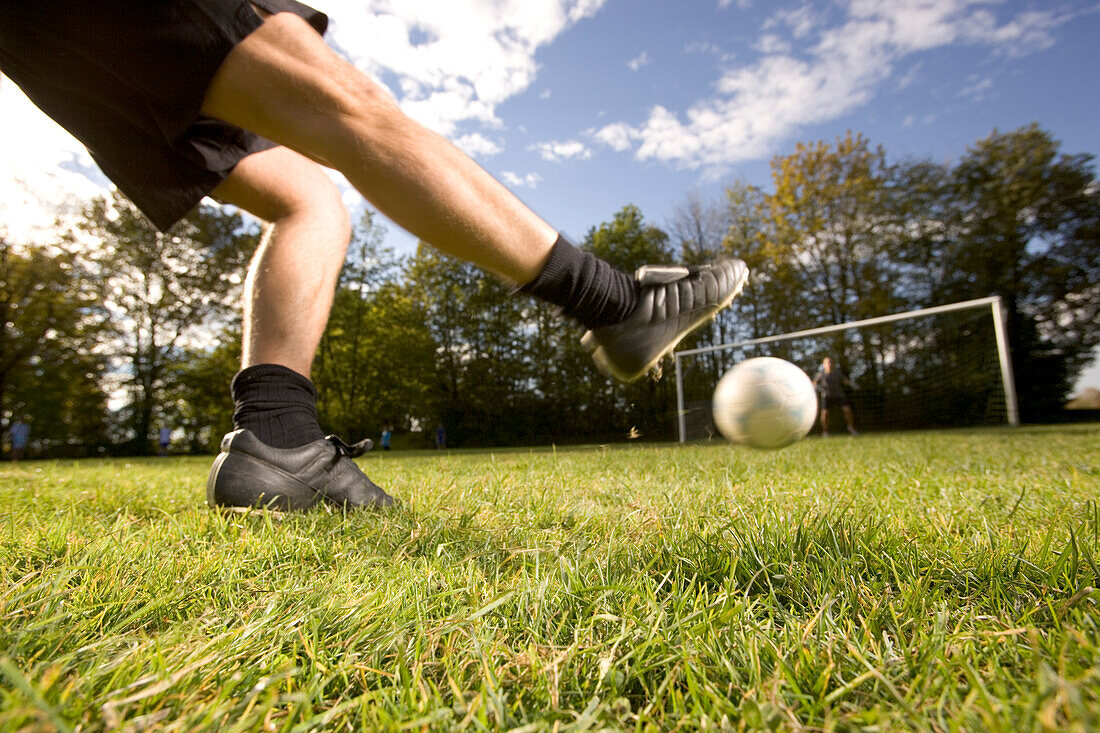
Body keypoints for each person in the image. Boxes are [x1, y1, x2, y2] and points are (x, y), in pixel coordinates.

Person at [0, 1, 748, 511]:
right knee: (354, 111)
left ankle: (277, 437)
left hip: (44, 49)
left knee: (309, 199)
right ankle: (614, 303)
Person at [813, 357, 858, 437]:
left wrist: (852, 384)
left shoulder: (838, 373)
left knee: (847, 411)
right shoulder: (821, 374)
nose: (829, 364)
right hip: (826, 396)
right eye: (827, 363)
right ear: (824, 365)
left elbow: (845, 381)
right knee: (825, 414)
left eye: (831, 362)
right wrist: (815, 386)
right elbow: (814, 382)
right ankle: (825, 431)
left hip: (838, 395)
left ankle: (851, 427)